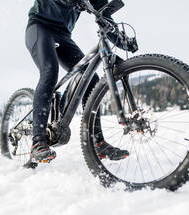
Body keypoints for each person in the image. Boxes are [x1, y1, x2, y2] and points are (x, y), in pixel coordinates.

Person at [25, 0, 129, 162]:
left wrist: (122, 41)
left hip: (63, 35)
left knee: (90, 78)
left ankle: (97, 141)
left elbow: (104, 15)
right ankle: (38, 141)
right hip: (40, 26)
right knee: (49, 71)